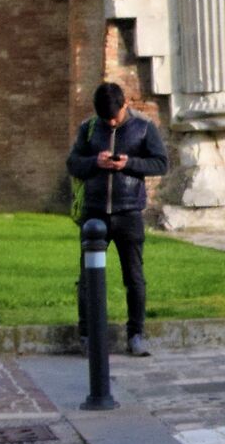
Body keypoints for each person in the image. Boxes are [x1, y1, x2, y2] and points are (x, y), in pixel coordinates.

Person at [67, 81, 168, 356]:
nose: (111, 122)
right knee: (88, 278)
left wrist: (129, 164)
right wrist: (94, 163)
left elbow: (161, 163)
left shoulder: (143, 127)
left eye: (115, 116)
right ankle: (86, 335)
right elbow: (73, 163)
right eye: (105, 118)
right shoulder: (88, 128)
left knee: (134, 277)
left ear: (125, 105)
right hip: (94, 213)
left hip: (128, 213)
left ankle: (135, 334)